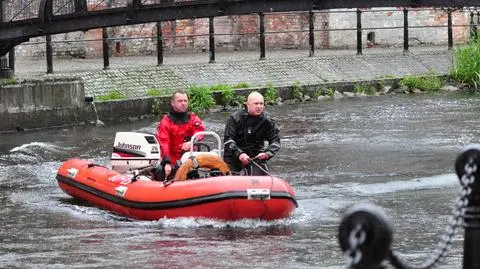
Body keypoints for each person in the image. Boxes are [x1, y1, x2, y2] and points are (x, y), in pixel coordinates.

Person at [223, 91, 281, 175]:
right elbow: (228, 140)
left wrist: (267, 153)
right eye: (256, 103)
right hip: (234, 157)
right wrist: (240, 154)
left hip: (256, 157)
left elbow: (276, 141)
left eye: (261, 104)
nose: (259, 106)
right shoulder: (235, 118)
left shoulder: (267, 121)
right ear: (247, 104)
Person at [156, 90, 205, 179]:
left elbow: (200, 132)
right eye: (180, 101)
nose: (183, 103)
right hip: (173, 159)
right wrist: (167, 162)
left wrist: (191, 141)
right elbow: (164, 143)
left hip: (190, 157)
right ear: (173, 103)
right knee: (161, 171)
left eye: (185, 101)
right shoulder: (165, 122)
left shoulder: (193, 118)